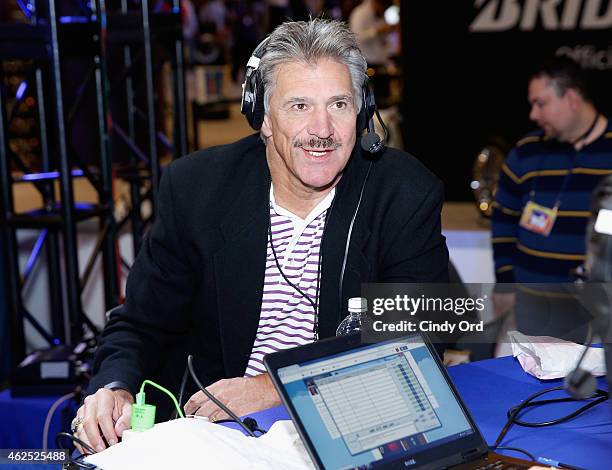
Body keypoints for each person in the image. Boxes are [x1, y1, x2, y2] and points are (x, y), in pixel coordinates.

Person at [71, 19, 448, 453]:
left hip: (347, 425)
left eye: (339, 104)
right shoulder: (196, 188)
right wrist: (114, 387)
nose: (322, 129)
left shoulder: (404, 191)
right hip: (215, 436)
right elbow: (140, 324)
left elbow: (417, 340)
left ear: (360, 111)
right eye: (299, 106)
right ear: (262, 117)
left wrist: (275, 387)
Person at [491, 56, 612, 337]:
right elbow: (503, 223)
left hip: (598, 314)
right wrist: (506, 283)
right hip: (534, 311)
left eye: (540, 103)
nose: (533, 114)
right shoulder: (526, 152)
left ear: (570, 98)